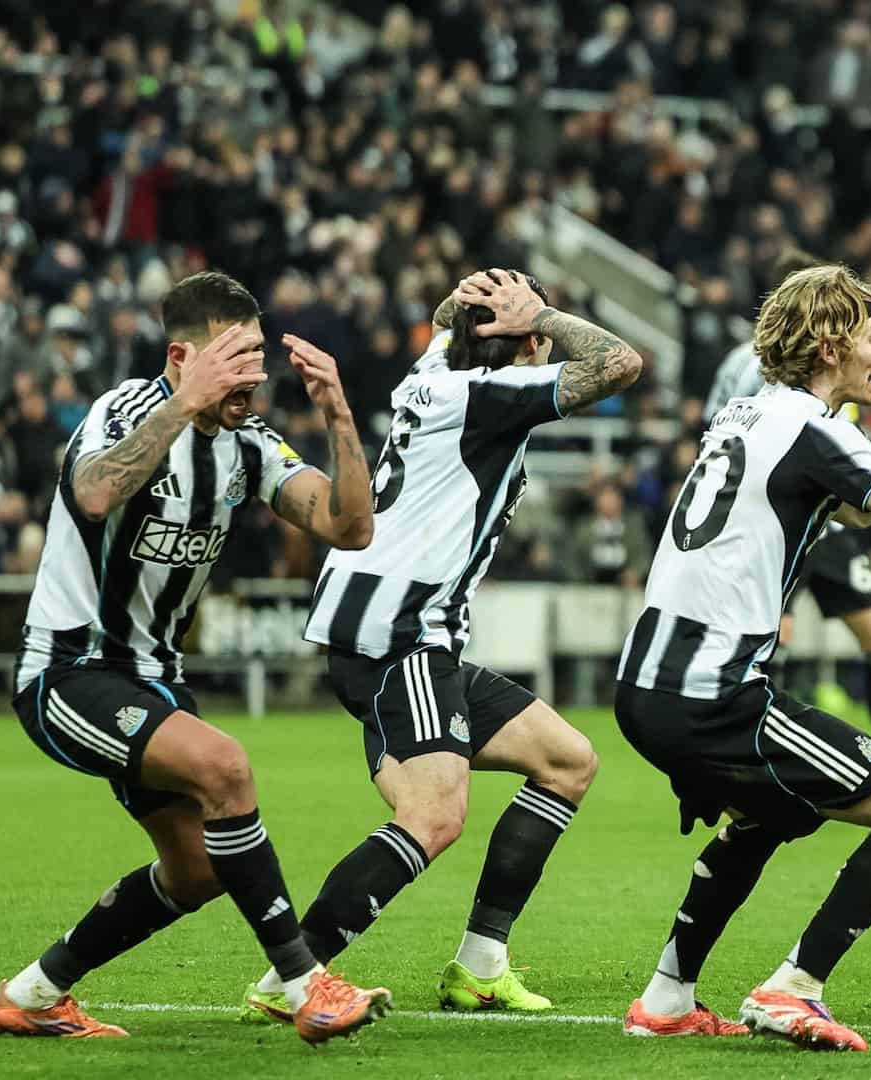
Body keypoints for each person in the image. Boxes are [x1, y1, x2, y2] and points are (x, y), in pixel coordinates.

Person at [0, 270, 390, 1044]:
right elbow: (94, 493)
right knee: (227, 768)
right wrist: (184, 402)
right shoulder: (128, 409)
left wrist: (339, 416)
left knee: (199, 871)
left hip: (154, 680)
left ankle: (34, 993)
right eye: (233, 359)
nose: (254, 376)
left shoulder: (247, 446)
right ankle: (308, 984)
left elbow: (349, 527)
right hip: (70, 671)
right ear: (181, 357)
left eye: (258, 357)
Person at [242, 270, 640, 1020]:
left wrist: (478, 305)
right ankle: (290, 978)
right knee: (434, 817)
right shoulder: (483, 397)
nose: (546, 350)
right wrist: (542, 310)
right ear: (514, 345)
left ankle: (480, 966)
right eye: (538, 341)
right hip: (402, 636)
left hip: (394, 634)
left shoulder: (433, 371)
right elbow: (619, 365)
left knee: (566, 761)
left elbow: (445, 318)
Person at [616, 265, 871, 1050]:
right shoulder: (809, 429)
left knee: (772, 812)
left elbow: (849, 505)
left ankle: (666, 1000)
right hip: (711, 689)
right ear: (830, 346)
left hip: (652, 680)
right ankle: (795, 986)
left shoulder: (753, 414)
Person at [706, 251, 871, 757]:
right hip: (776, 518)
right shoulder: (753, 368)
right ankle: (762, 755)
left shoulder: (838, 363)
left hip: (831, 518)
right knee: (772, 641)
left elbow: (853, 473)